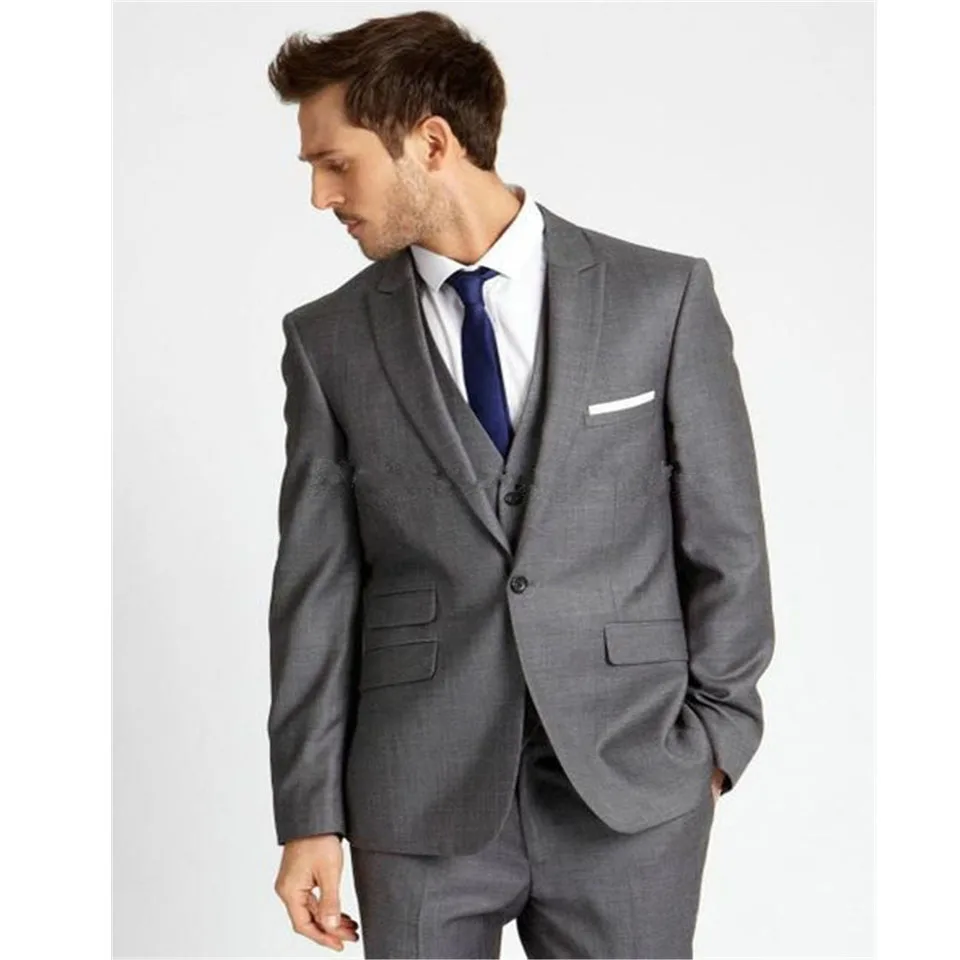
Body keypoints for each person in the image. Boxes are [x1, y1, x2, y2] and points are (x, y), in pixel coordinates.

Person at [265, 10, 775, 959]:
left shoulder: (659, 297)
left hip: (631, 787)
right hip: (413, 795)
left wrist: (714, 743)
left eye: (336, 163)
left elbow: (727, 538)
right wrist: (309, 815)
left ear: (431, 143)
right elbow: (315, 591)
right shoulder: (327, 340)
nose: (321, 195)